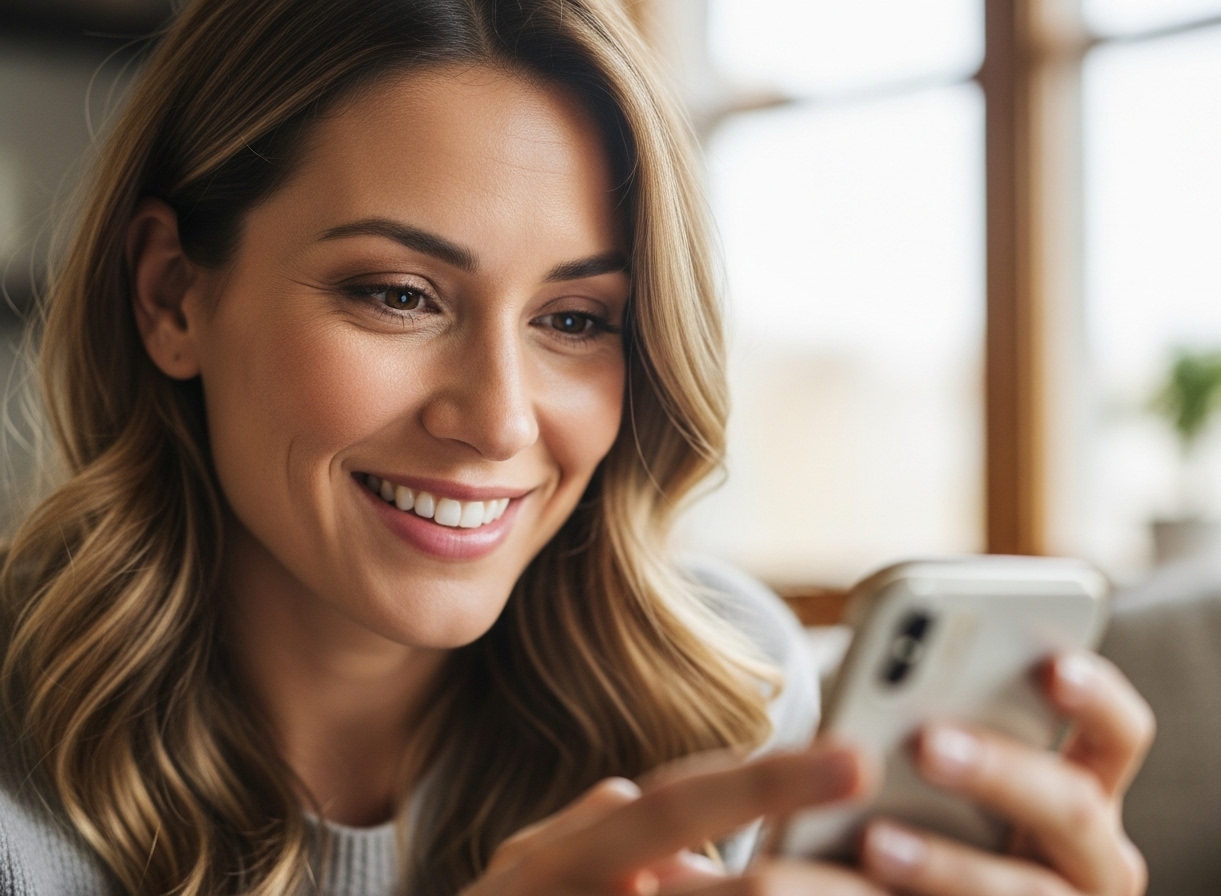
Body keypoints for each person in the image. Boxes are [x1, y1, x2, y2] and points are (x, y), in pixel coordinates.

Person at [0, 0, 1154, 894]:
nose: (500, 419)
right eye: (399, 294)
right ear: (171, 296)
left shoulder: (724, 691)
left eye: (574, 320)